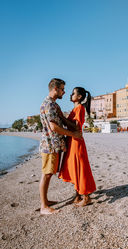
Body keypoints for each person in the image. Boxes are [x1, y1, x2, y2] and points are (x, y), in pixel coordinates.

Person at [39, 78, 82, 215]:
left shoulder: (52, 104)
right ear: (55, 89)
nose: (64, 92)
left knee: (49, 173)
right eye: (62, 89)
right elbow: (54, 127)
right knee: (46, 174)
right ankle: (44, 206)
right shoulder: (49, 105)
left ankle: (45, 201)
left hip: (53, 145)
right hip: (50, 145)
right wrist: (72, 134)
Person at [59, 87, 96, 206]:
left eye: (73, 93)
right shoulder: (75, 108)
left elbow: (76, 126)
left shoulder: (80, 108)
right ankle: (77, 196)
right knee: (74, 168)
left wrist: (62, 117)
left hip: (76, 141)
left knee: (80, 168)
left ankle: (86, 197)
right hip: (72, 141)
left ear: (79, 97)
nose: (70, 95)